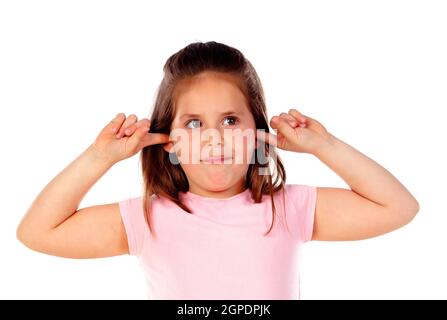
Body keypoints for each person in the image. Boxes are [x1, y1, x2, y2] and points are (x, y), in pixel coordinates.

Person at [16, 41, 419, 299]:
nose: (214, 138)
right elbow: (37, 232)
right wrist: (99, 157)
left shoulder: (288, 208)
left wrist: (324, 146)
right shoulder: (147, 218)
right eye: (193, 123)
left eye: (230, 120)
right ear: (168, 142)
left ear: (258, 133)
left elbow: (398, 207)